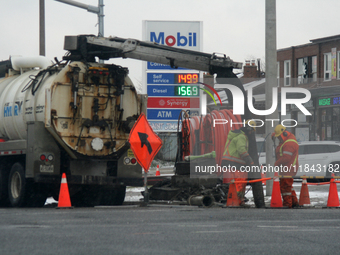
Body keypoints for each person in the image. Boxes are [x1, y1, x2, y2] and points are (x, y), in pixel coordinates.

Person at [221, 120, 255, 205]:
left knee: (234, 183)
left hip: (230, 162)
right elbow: (241, 150)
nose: (251, 133)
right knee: (240, 182)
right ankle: (238, 201)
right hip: (235, 163)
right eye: (251, 130)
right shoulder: (242, 137)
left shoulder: (237, 136)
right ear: (248, 129)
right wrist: (250, 161)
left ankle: (235, 200)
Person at [272, 124, 299, 208]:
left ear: (284, 134)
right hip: (287, 168)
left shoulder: (289, 143)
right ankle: (294, 202)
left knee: (285, 187)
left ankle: (288, 204)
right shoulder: (286, 141)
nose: (278, 139)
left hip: (288, 168)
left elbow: (286, 158)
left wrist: (276, 163)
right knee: (288, 186)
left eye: (279, 137)